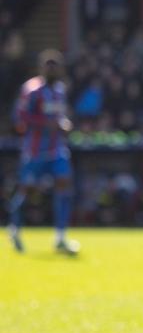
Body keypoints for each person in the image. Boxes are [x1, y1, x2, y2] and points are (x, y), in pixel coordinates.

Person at [7, 49, 79, 255]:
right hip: (35, 150)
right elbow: (20, 117)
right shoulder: (31, 90)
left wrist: (64, 123)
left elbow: (60, 115)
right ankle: (15, 229)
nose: (52, 70)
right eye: (48, 66)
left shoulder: (60, 90)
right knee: (26, 191)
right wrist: (48, 124)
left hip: (57, 149)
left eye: (55, 67)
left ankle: (60, 237)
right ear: (41, 68)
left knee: (64, 188)